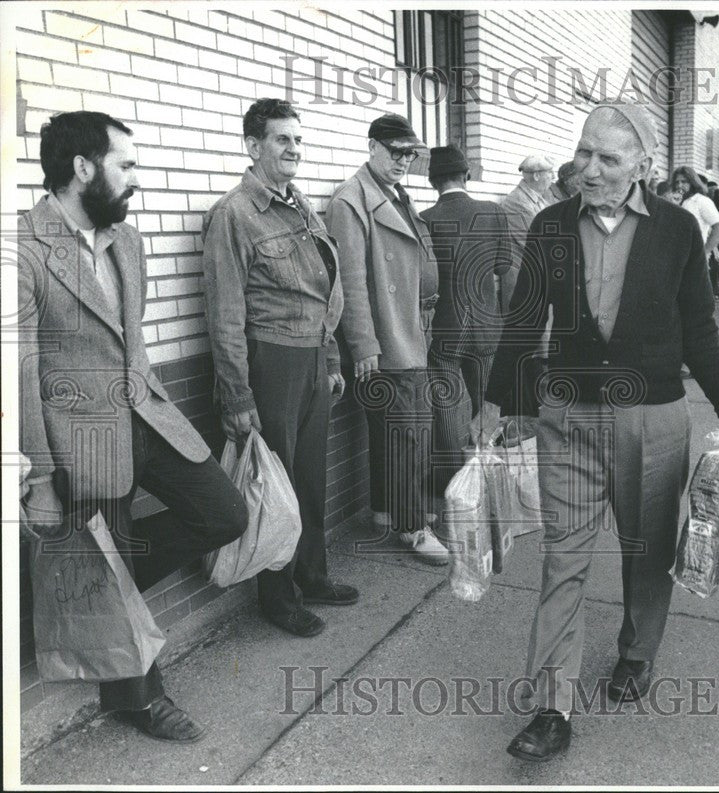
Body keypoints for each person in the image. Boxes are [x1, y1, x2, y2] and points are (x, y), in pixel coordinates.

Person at [471, 103, 719, 761]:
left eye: (608, 158)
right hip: (569, 417)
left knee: (647, 549)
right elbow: (523, 321)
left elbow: (699, 328)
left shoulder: (677, 231)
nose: (591, 170)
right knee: (562, 560)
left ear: (642, 164)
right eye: (584, 154)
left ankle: (635, 652)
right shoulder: (550, 226)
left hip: (653, 419)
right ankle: (552, 708)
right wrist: (499, 404)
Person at [19, 111, 249, 741]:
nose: (136, 179)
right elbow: (21, 372)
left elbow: (131, 341)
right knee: (110, 563)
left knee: (225, 513)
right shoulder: (23, 249)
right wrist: (40, 478)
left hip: (147, 418)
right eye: (127, 165)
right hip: (81, 443)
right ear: (83, 168)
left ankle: (86, 594)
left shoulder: (127, 240)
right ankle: (139, 699)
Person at [201, 99, 358, 638]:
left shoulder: (301, 205)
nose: (294, 149)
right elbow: (224, 314)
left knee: (309, 478)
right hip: (271, 363)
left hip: (313, 359)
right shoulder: (235, 215)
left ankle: (311, 575)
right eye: (281, 140)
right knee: (278, 482)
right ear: (253, 147)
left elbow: (325, 287)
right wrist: (238, 395)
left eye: (298, 139)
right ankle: (278, 595)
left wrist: (332, 356)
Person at [326, 113, 447, 565]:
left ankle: (385, 511)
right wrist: (364, 347)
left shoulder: (393, 194)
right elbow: (349, 283)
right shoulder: (351, 200)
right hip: (387, 340)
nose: (403, 161)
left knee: (397, 431)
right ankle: (412, 528)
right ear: (372, 146)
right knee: (408, 434)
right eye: (395, 152)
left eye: (410, 154)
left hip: (409, 330)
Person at [420, 144, 511, 494]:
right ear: (467, 175)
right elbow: (504, 269)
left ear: (432, 181)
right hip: (488, 327)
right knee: (488, 404)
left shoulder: (424, 220)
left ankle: (449, 483)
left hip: (445, 328)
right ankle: (492, 480)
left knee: (444, 405)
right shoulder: (494, 212)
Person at [499, 155, 555, 312]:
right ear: (537, 175)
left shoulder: (536, 199)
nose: (554, 177)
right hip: (522, 281)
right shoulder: (518, 202)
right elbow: (543, 243)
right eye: (550, 172)